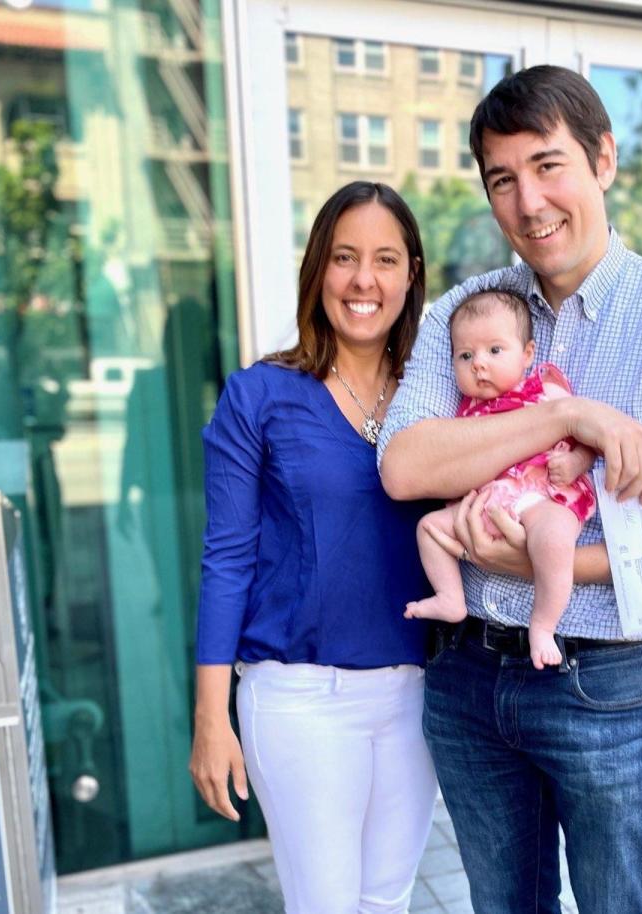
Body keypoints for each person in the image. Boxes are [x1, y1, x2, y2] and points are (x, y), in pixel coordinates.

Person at [378, 66, 642, 913]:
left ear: (604, 159)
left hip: (611, 689)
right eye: (502, 179)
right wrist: (578, 418)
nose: (528, 202)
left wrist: (552, 567)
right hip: (466, 685)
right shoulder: (467, 313)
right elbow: (406, 465)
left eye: (548, 164)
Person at [189, 181, 438, 914]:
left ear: (411, 275)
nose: (364, 280)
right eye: (344, 258)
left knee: (386, 904)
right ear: (317, 272)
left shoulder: (436, 396)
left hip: (418, 700)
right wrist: (211, 719)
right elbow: (226, 560)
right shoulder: (259, 395)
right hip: (301, 701)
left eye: (386, 259)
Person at [404, 288, 596, 669]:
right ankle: (450, 597)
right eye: (466, 355)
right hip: (489, 504)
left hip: (542, 494)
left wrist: (575, 463)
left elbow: (589, 443)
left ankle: (543, 624)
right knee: (428, 529)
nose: (479, 364)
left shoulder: (546, 389)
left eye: (494, 351)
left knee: (555, 540)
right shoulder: (463, 411)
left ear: (527, 354)